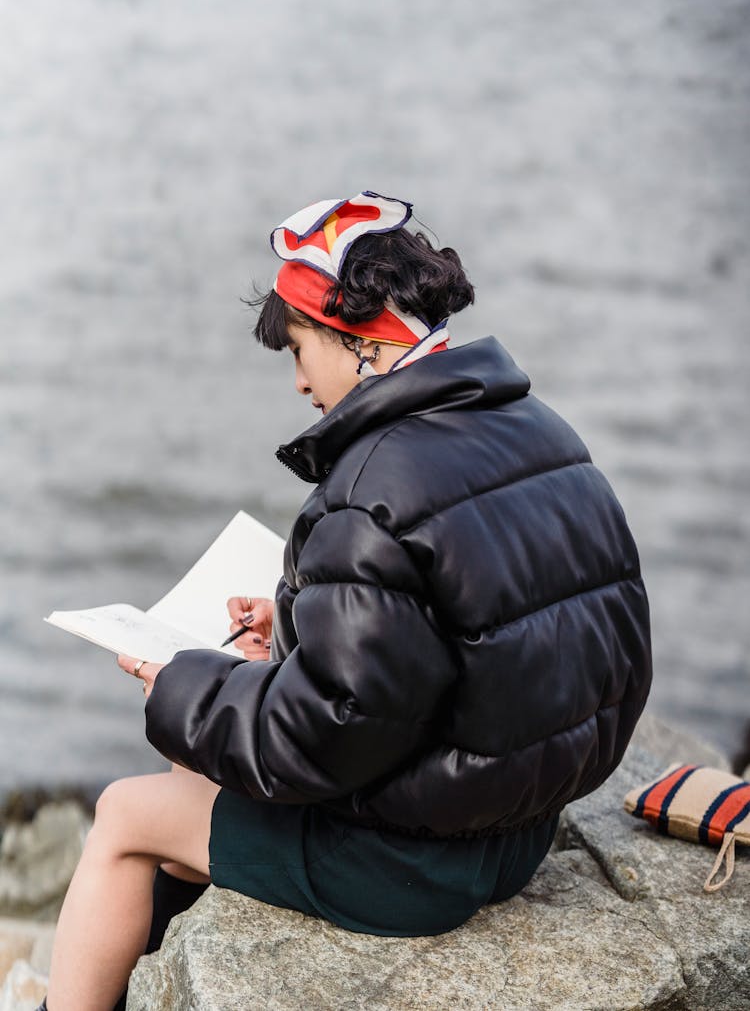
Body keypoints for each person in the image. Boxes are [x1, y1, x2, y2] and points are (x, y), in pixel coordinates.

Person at [40, 191, 652, 1010]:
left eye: (299, 350)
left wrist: (179, 681)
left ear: (358, 342)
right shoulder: (544, 433)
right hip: (519, 834)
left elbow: (327, 734)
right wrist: (294, 625)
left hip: (414, 867)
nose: (297, 381)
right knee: (196, 759)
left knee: (122, 816)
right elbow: (473, 633)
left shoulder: (367, 493)